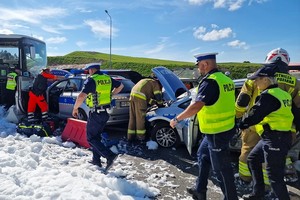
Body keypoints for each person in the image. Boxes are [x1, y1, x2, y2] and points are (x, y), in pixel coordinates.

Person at [170, 53, 238, 200]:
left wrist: (177, 118)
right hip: (223, 129)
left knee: (222, 170)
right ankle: (200, 190)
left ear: (205, 64)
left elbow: (196, 107)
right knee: (202, 155)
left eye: (199, 65)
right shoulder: (226, 79)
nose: (199, 69)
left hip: (217, 132)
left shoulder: (210, 82)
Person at [235, 48, 300, 185]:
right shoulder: (295, 83)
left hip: (255, 124)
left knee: (247, 152)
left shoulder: (256, 77)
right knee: (270, 159)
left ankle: (245, 178)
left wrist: (238, 117)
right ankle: (267, 185)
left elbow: (242, 101)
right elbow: (298, 109)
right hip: (283, 129)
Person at [239, 66, 294, 200]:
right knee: (253, 159)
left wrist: (241, 124)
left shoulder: (268, 96)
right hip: (274, 137)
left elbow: (255, 115)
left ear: (265, 79)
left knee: (274, 177)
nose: (255, 83)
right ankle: (257, 195)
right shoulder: (283, 94)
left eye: (257, 80)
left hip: (276, 139)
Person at [72, 63, 124, 171]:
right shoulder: (107, 78)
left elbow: (81, 96)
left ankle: (109, 156)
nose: (88, 72)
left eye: (88, 70)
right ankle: (96, 160)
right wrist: (111, 94)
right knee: (96, 137)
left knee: (90, 138)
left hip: (96, 113)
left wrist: (75, 108)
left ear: (91, 70)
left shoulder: (92, 80)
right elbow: (121, 86)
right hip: (105, 113)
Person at [127, 76, 163, 143]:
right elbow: (158, 95)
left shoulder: (145, 81)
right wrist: (160, 104)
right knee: (140, 118)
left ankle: (130, 137)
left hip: (132, 96)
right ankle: (141, 138)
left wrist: (154, 103)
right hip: (140, 98)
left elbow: (147, 98)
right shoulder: (155, 83)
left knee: (133, 117)